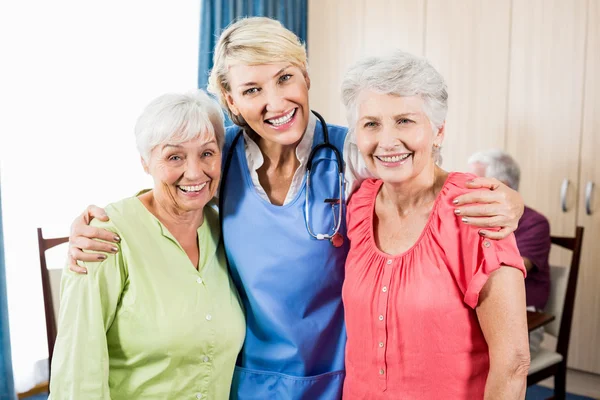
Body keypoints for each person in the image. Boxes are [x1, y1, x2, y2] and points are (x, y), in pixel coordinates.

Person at [65, 17, 525, 399]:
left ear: (305, 76)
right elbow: (170, 192)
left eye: (285, 78)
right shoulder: (217, 155)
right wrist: (94, 227)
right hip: (247, 379)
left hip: (339, 378)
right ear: (231, 102)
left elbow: (424, 176)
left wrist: (513, 202)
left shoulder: (353, 152)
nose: (274, 102)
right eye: (251, 90)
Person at [341, 50, 530, 399]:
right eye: (371, 124)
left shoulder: (476, 210)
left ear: (439, 131)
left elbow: (513, 362)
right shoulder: (358, 203)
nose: (386, 141)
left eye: (405, 121)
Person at [49, 90, 245, 399]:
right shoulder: (102, 237)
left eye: (207, 153)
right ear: (145, 162)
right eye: (174, 156)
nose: (194, 172)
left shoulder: (228, 230)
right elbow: (76, 374)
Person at [468, 149, 551, 356]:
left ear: (502, 185)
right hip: (477, 312)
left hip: (522, 317)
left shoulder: (535, 223)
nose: (467, 189)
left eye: (475, 182)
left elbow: (509, 269)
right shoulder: (473, 219)